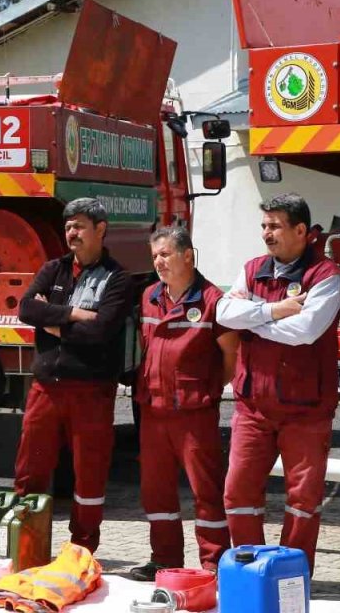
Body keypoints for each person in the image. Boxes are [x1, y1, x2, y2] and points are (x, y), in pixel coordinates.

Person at [215, 193, 340, 571]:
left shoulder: (327, 277)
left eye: (274, 226)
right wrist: (274, 310)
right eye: (264, 226)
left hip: (305, 410)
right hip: (253, 406)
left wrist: (252, 318)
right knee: (237, 492)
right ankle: (250, 569)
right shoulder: (253, 267)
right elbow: (224, 312)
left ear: (301, 230)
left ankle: (292, 574)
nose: (266, 234)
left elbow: (304, 331)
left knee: (303, 500)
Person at [14, 197, 134, 551]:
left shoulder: (119, 278)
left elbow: (101, 332)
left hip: (92, 391)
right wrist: (74, 314)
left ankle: (82, 549)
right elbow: (26, 309)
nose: (72, 233)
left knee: (90, 474)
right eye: (68, 226)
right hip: (46, 388)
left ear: (100, 229)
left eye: (80, 226)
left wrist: (53, 321)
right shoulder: (54, 269)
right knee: (30, 470)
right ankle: (28, 546)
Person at [128, 226, 236, 580]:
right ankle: (164, 559)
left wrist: (204, 389)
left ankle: (214, 564)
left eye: (165, 254)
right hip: (153, 411)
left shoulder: (212, 300)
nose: (158, 261)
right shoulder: (148, 297)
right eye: (155, 255)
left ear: (187, 256)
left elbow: (231, 358)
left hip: (193, 414)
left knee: (206, 492)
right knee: (156, 492)